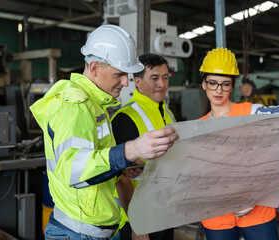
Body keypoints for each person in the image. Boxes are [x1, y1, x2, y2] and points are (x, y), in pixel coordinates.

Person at [30, 25, 178, 240]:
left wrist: (123, 167)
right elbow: (74, 171)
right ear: (95, 67)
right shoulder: (75, 105)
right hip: (77, 234)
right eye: (118, 75)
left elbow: (99, 164)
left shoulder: (96, 105)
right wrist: (131, 149)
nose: (125, 82)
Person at [198, 47, 279, 240]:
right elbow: (198, 176)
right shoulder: (197, 129)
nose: (219, 90)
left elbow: (276, 112)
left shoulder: (250, 112)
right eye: (212, 83)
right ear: (204, 84)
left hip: (256, 208)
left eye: (225, 84)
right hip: (217, 213)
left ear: (232, 85)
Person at [111, 53, 176, 240]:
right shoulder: (124, 118)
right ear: (137, 82)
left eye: (165, 78)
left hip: (165, 212)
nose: (162, 84)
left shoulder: (168, 114)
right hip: (139, 220)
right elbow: (120, 178)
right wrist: (138, 227)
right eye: (154, 78)